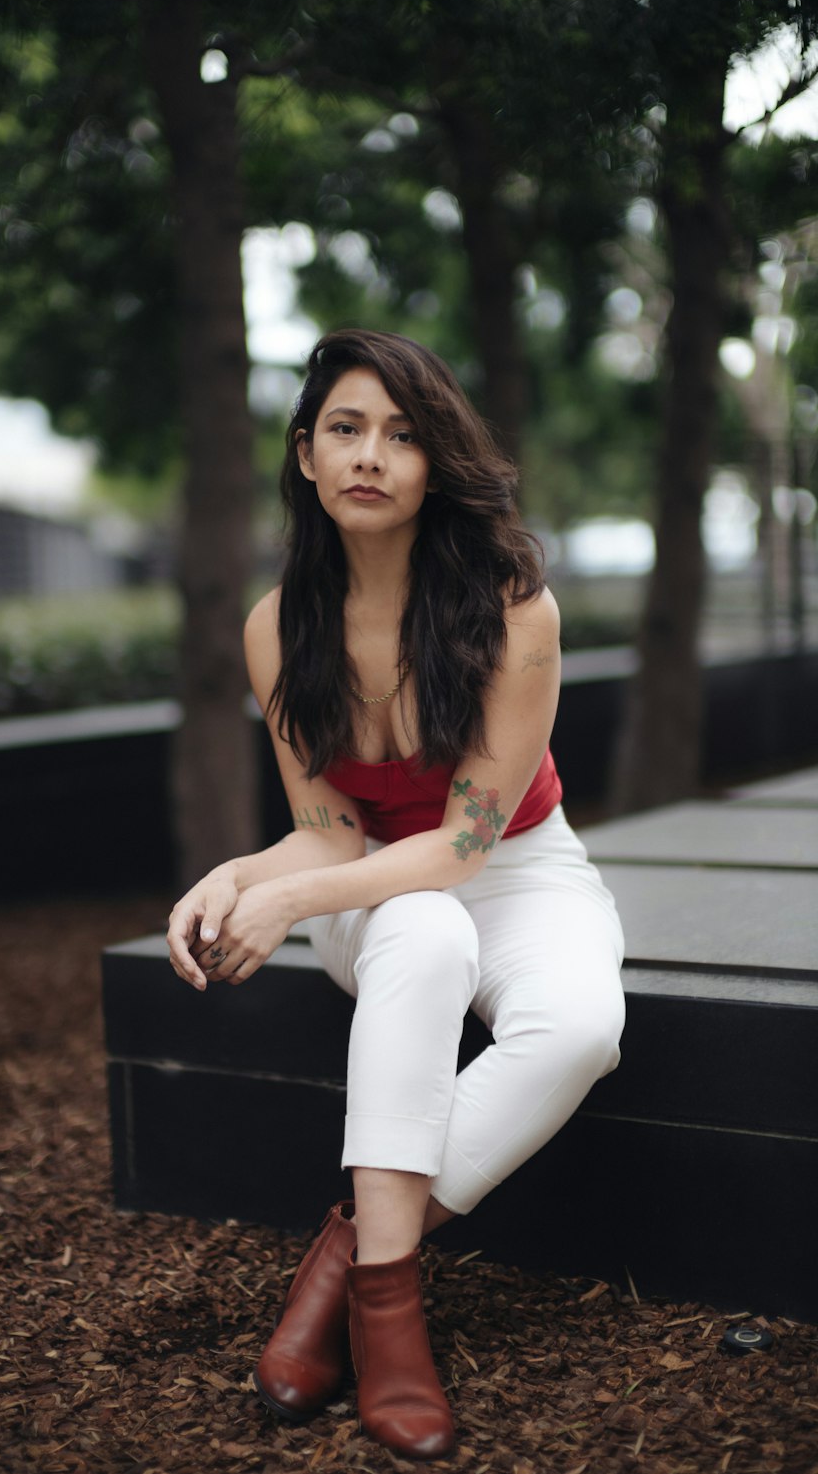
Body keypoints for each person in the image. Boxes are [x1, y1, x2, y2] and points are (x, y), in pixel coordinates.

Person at [166, 328, 626, 1462]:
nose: (372, 455)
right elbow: (328, 832)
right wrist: (237, 877)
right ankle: (396, 1332)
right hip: (377, 889)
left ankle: (347, 1266)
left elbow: (464, 849)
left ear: (435, 464)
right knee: (416, 927)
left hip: (520, 868)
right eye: (346, 428)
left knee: (580, 1029)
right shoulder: (278, 628)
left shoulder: (515, 609)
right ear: (308, 456)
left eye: (404, 434)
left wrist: (281, 901)